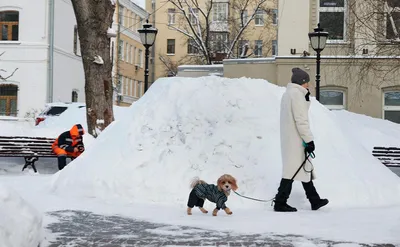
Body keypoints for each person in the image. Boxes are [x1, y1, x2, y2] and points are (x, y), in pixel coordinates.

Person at [273, 67, 329, 212]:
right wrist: (309, 140)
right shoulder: (296, 95)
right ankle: (280, 202)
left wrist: (306, 99)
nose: (308, 85)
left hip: (291, 138)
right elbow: (301, 119)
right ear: (301, 82)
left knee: (304, 168)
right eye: (307, 83)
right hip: (296, 139)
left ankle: (314, 200)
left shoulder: (289, 94)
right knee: (292, 171)